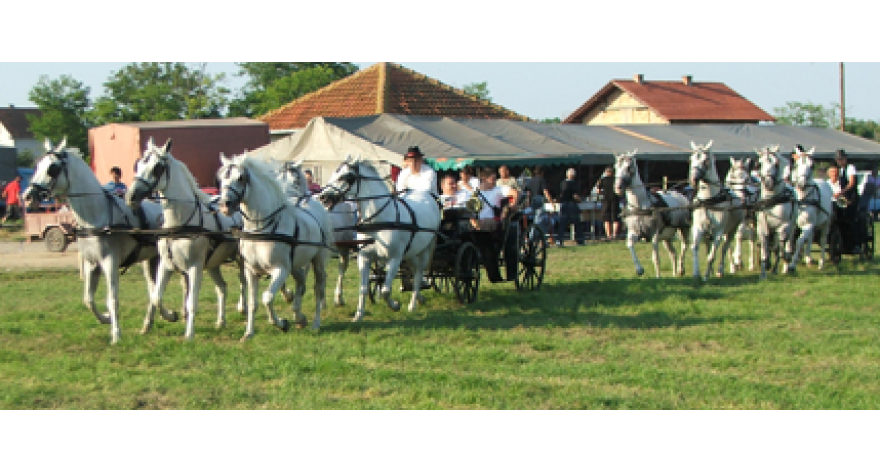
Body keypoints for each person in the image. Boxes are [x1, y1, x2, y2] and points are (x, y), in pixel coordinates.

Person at [833, 149, 861, 252]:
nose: (840, 161)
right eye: (838, 160)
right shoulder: (840, 170)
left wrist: (841, 192)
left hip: (851, 197)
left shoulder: (851, 168)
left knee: (850, 219)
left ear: (845, 159)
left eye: (841, 159)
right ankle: (843, 243)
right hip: (842, 198)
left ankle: (856, 244)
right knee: (839, 219)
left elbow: (851, 183)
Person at [555, 168, 585, 247]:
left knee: (562, 223)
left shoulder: (562, 183)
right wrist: (580, 200)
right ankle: (580, 239)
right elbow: (575, 195)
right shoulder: (574, 184)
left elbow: (561, 194)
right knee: (576, 223)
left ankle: (559, 240)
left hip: (563, 204)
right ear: (574, 175)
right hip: (572, 204)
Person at [525, 165, 555, 243]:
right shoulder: (542, 179)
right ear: (542, 172)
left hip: (532, 200)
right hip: (539, 199)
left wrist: (528, 203)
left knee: (535, 219)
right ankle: (537, 238)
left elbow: (528, 193)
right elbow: (545, 191)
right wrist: (551, 202)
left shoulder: (531, 180)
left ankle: (533, 237)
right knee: (539, 220)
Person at [595, 166, 621, 240]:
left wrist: (603, 193)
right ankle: (615, 235)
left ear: (607, 172)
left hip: (606, 200)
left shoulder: (602, 180)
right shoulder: (617, 180)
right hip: (615, 200)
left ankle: (609, 235)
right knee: (615, 218)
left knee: (607, 219)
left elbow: (598, 191)